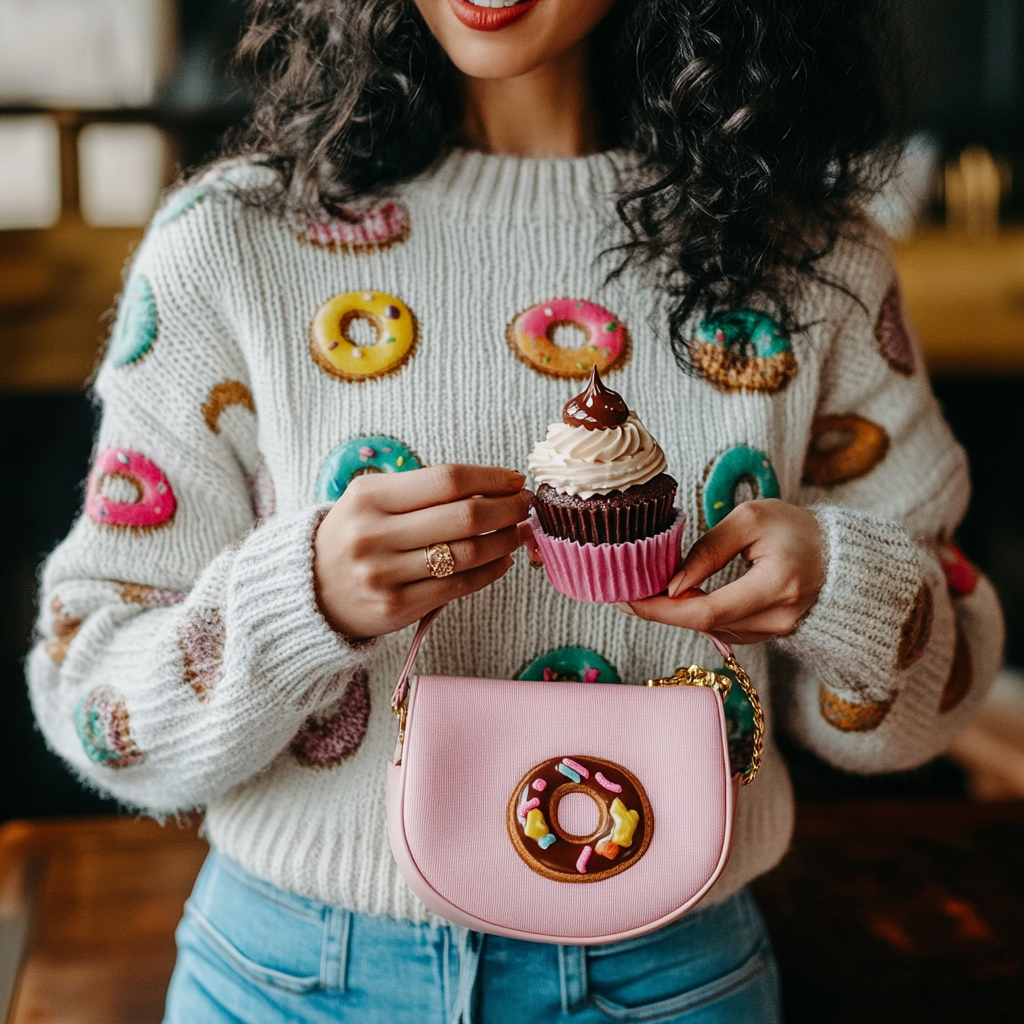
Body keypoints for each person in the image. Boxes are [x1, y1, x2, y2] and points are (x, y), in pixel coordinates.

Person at [29, 1, 1004, 1021]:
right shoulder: (232, 244)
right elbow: (90, 694)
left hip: (668, 977)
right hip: (288, 979)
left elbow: (954, 676)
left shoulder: (812, 257)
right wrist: (298, 598)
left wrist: (840, 585)